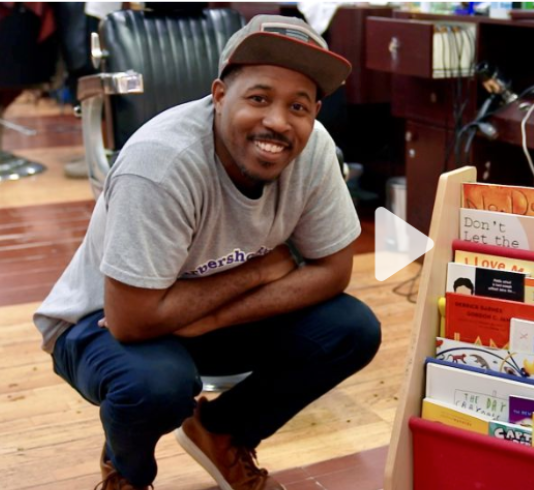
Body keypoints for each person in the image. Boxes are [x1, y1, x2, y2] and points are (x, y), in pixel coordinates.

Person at [34, 15, 381, 490]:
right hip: (101, 323)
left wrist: (208, 319)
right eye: (259, 98)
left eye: (297, 106)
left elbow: (334, 271)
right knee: (156, 387)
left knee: (351, 329)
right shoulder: (161, 162)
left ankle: (221, 433)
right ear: (219, 96)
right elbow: (131, 320)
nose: (278, 122)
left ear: (314, 112)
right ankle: (126, 472)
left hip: (191, 314)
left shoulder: (313, 148)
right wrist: (260, 272)